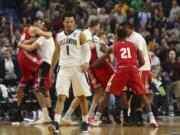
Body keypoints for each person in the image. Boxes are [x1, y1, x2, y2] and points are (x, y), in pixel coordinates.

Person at [91, 28, 158, 127]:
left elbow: (104, 56)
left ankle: (96, 119)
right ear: (127, 36)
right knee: (142, 95)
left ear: (117, 36)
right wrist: (134, 68)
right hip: (133, 70)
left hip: (121, 70)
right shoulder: (134, 45)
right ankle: (152, 118)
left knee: (107, 93)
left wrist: (94, 64)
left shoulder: (114, 46)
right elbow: (143, 61)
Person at [48, 12, 91, 134]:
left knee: (82, 97)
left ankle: (85, 122)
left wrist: (86, 62)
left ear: (74, 23)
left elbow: (87, 50)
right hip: (64, 68)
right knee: (61, 96)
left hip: (78, 68)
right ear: (63, 23)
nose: (69, 24)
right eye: (67, 21)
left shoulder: (80, 34)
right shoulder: (59, 36)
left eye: (72, 21)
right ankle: (56, 122)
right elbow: (56, 53)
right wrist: (51, 69)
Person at [14, 17, 52, 122]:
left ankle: (19, 113)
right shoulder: (35, 29)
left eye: (43, 23)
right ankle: (49, 115)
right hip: (27, 56)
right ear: (35, 23)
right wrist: (28, 41)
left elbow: (31, 42)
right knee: (40, 88)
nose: (41, 25)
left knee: (22, 88)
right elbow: (48, 35)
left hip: (24, 57)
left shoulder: (31, 31)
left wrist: (25, 41)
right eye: (40, 22)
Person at [121, 22, 152, 125]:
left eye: (123, 28)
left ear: (127, 28)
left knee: (137, 92)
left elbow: (141, 56)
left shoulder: (137, 38)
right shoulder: (128, 38)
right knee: (130, 91)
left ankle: (137, 117)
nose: (122, 31)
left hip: (141, 67)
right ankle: (132, 116)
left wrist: (134, 68)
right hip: (134, 68)